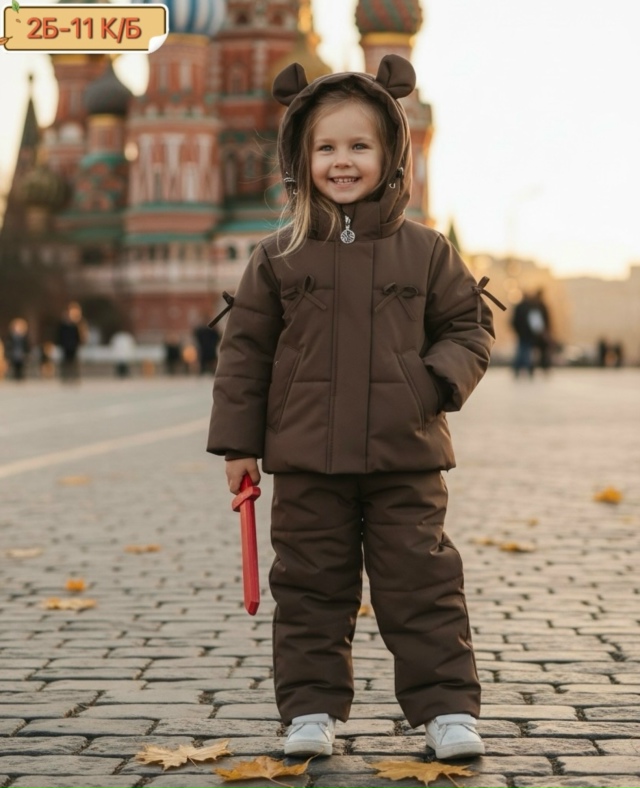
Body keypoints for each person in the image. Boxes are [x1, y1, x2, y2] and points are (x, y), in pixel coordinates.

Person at [207, 55, 502, 761]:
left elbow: (469, 327)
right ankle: (309, 710)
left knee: (422, 582)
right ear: (300, 159)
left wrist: (430, 386)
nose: (342, 161)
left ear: (391, 153)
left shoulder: (426, 250)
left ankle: (446, 711)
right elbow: (244, 353)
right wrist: (239, 447)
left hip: (405, 456)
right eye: (326, 148)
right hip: (307, 460)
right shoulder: (277, 256)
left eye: (360, 146)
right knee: (309, 586)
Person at [56, 302, 85, 382]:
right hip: (65, 346)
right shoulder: (63, 325)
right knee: (66, 362)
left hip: (73, 346)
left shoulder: (75, 325)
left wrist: (78, 343)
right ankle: (65, 377)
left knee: (73, 362)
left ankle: (74, 377)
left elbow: (78, 336)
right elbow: (59, 335)